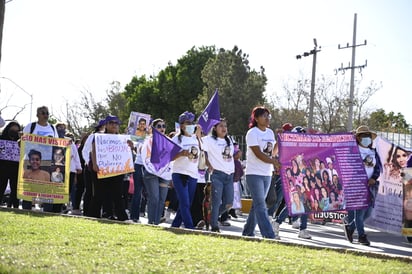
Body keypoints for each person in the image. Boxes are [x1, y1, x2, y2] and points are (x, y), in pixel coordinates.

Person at [242, 106, 277, 239]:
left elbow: (271, 152)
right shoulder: (252, 133)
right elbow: (258, 154)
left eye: (268, 116)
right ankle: (269, 235)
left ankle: (247, 232)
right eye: (264, 116)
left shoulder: (270, 133)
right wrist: (273, 162)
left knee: (257, 204)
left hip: (267, 173)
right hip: (254, 173)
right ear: (256, 118)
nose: (267, 118)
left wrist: (279, 143)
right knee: (261, 204)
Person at [344, 125, 381, 246]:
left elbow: (377, 168)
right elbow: (350, 166)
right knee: (359, 213)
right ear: (359, 138)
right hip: (357, 185)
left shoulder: (373, 152)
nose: (367, 138)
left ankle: (350, 228)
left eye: (369, 136)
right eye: (364, 136)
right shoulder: (353, 151)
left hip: (370, 187)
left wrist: (374, 178)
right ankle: (361, 236)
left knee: (368, 213)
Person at [88, 115, 129, 221]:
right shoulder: (98, 136)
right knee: (98, 193)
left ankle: (121, 217)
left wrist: (131, 145)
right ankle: (94, 215)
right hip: (101, 169)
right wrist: (95, 164)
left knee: (117, 194)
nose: (114, 125)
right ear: (106, 125)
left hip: (117, 170)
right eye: (111, 123)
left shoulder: (122, 138)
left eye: (116, 123)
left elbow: (127, 152)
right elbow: (94, 150)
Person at [202, 118, 235, 232]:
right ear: (215, 128)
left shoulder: (229, 139)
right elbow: (200, 149)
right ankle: (214, 226)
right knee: (216, 202)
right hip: (217, 175)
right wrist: (208, 163)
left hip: (229, 175)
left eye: (225, 126)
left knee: (228, 203)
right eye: (220, 126)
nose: (224, 128)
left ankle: (210, 217)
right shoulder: (209, 140)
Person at [170, 111, 202, 229]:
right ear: (182, 125)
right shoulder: (176, 139)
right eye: (188, 122)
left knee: (186, 203)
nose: (191, 125)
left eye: (192, 122)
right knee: (185, 202)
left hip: (193, 175)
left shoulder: (195, 139)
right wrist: (181, 154)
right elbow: (169, 157)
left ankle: (175, 225)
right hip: (180, 174)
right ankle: (189, 227)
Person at [141, 118, 172, 225]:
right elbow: (146, 157)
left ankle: (156, 222)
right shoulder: (149, 141)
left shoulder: (169, 141)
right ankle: (151, 222)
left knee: (162, 200)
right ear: (154, 128)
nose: (162, 128)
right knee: (154, 197)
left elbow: (171, 158)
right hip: (151, 173)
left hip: (165, 174)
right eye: (159, 126)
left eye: (164, 126)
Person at [0, 121, 22, 208]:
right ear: (8, 129)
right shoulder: (1, 138)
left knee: (15, 189)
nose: (14, 132)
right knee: (1, 186)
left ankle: (15, 207)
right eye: (12, 129)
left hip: (15, 168)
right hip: (2, 167)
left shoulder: (21, 141)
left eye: (16, 131)